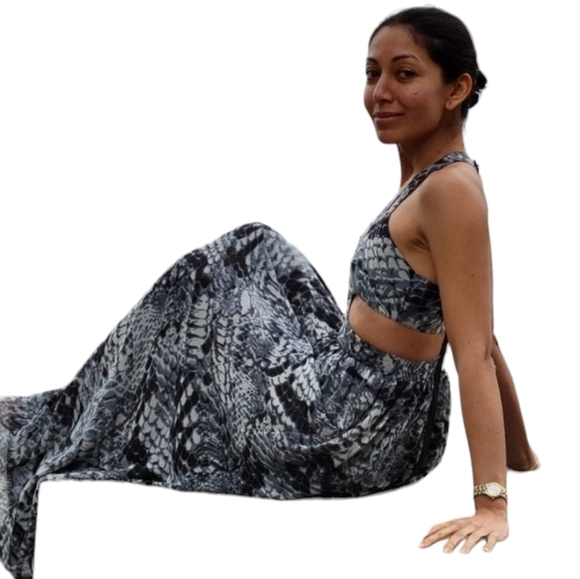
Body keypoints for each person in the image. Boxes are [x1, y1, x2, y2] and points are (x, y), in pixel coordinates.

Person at [0, 6, 537, 578]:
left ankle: (66, 422)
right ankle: (72, 414)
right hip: (369, 401)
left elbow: (475, 350)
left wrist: (491, 503)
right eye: (371, 73)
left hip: (345, 433)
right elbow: (480, 329)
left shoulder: (449, 191)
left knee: (202, 284)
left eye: (404, 74)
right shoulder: (435, 176)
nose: (380, 92)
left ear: (457, 89)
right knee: (256, 246)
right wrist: (519, 452)